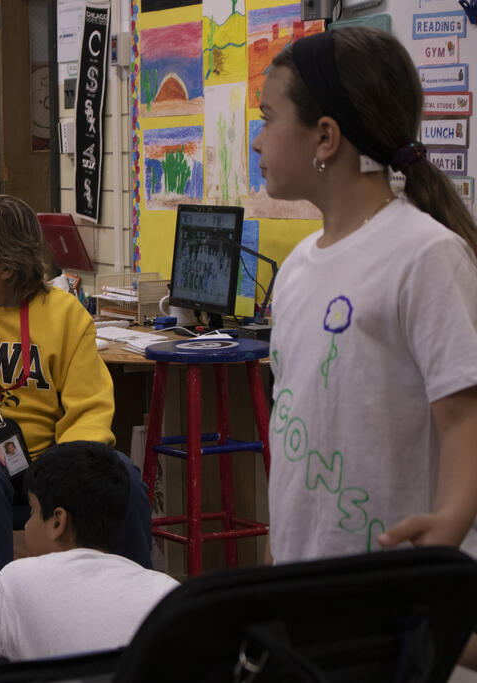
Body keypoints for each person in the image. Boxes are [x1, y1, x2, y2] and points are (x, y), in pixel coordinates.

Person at [253, 27, 477, 567]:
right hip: (307, 583)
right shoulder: (297, 267)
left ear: (325, 138)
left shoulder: (425, 255)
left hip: (393, 586)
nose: (258, 141)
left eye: (267, 118)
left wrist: (449, 525)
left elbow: (465, 415)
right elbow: (296, 431)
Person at [0, 194, 153, 640]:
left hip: (48, 458)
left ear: (7, 267)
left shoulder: (65, 314)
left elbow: (90, 405)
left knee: (125, 481)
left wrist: (70, 467)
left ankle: (137, 627)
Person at [0, 441, 178, 664]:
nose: (26, 524)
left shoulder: (13, 580)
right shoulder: (168, 592)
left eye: (32, 511)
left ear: (58, 522)